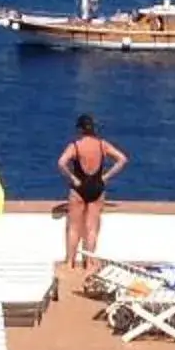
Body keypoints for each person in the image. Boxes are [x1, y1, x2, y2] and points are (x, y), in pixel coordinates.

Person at [56, 113, 126, 264]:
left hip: (79, 187)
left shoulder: (75, 146)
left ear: (80, 129)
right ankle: (89, 261)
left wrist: (73, 178)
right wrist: (105, 177)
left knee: (73, 227)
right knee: (92, 228)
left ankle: (70, 261)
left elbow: (61, 163)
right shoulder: (102, 145)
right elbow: (122, 159)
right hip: (97, 187)